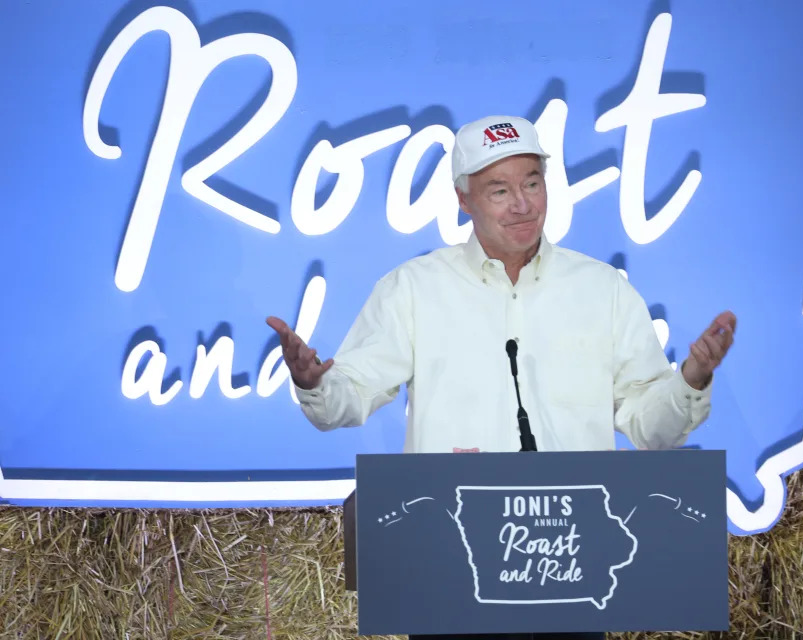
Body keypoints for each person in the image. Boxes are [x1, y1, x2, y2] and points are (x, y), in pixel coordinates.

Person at [266, 115, 735, 640]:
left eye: (532, 183)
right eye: (500, 190)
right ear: (463, 201)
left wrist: (691, 378)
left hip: (570, 567)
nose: (523, 204)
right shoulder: (413, 289)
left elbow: (651, 428)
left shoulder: (604, 290)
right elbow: (345, 401)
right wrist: (314, 383)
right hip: (452, 570)